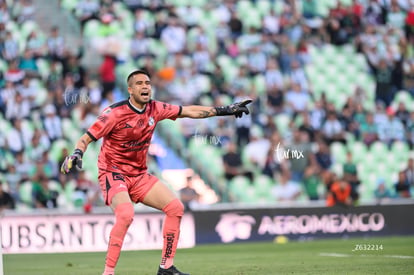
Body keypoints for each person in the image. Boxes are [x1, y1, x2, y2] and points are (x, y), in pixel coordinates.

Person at [60, 69, 252, 275]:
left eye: (148, 83)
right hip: (113, 173)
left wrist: (225, 110)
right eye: (140, 83)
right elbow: (87, 137)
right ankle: (108, 273)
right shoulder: (114, 113)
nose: (145, 87)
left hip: (140, 175)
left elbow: (189, 111)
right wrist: (77, 153)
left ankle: (166, 268)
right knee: (125, 214)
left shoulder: (156, 108)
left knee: (175, 208)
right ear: (130, 89)